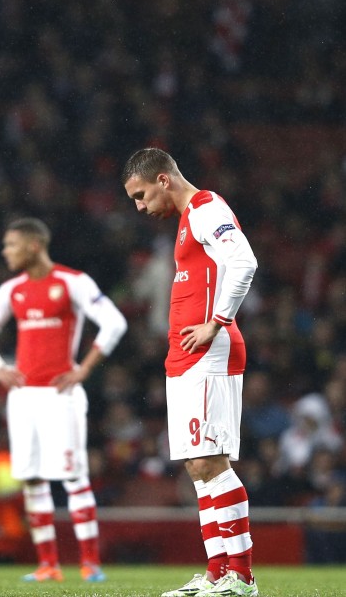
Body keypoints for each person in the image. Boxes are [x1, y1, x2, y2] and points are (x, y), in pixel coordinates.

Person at [122, 148, 259, 597]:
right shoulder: (186, 221)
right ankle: (217, 573)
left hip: (209, 352)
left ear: (163, 180)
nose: (140, 207)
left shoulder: (205, 208)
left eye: (141, 195)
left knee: (211, 462)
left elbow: (244, 261)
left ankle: (242, 578)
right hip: (184, 357)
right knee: (197, 468)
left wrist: (217, 322)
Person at [0, 217, 127, 583]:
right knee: (31, 479)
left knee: (74, 477)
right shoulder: (11, 290)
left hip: (62, 395)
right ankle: (48, 565)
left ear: (34, 245)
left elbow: (114, 322)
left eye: (12, 245)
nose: (5, 252)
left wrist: (84, 368)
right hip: (22, 397)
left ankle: (90, 564)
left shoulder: (73, 282)